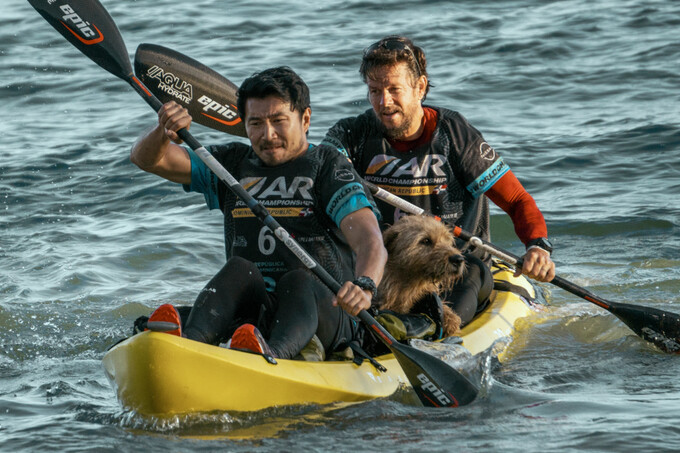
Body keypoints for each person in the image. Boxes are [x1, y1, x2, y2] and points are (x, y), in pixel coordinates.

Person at [130, 66, 387, 360]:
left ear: (305, 119)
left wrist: (365, 286)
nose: (268, 134)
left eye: (279, 121)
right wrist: (162, 133)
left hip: (327, 315)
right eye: (256, 123)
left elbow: (370, 241)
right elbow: (147, 159)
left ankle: (273, 356)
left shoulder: (328, 167)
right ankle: (190, 345)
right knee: (239, 269)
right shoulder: (231, 164)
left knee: (298, 279)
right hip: (257, 316)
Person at [321, 36, 556, 328]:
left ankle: (427, 328)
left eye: (394, 90)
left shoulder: (455, 135)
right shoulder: (351, 134)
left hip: (456, 266)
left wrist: (538, 247)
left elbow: (517, 199)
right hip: (383, 266)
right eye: (374, 91)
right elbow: (313, 175)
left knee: (468, 273)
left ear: (420, 87)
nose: (384, 102)